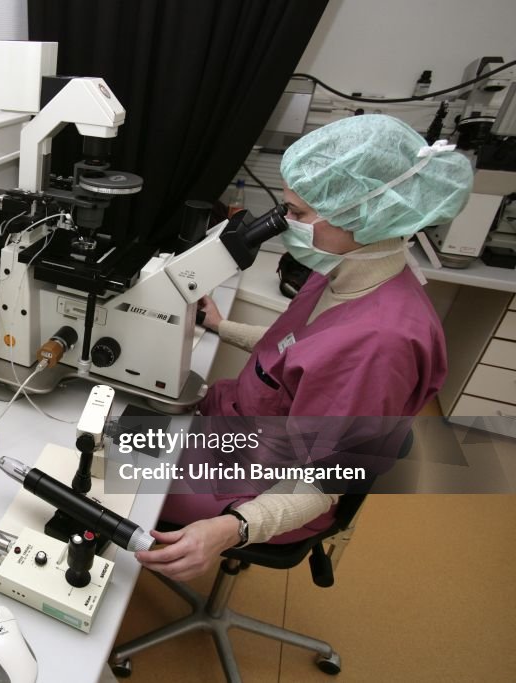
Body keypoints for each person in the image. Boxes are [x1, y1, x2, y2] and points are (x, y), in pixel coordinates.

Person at [136, 115, 473, 581]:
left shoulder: (382, 346)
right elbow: (298, 350)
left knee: (101, 474)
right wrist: (220, 325)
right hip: (231, 431)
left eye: (297, 213)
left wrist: (230, 530)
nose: (284, 224)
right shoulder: (343, 269)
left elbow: (326, 482)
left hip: (262, 486)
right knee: (105, 431)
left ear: (362, 211)